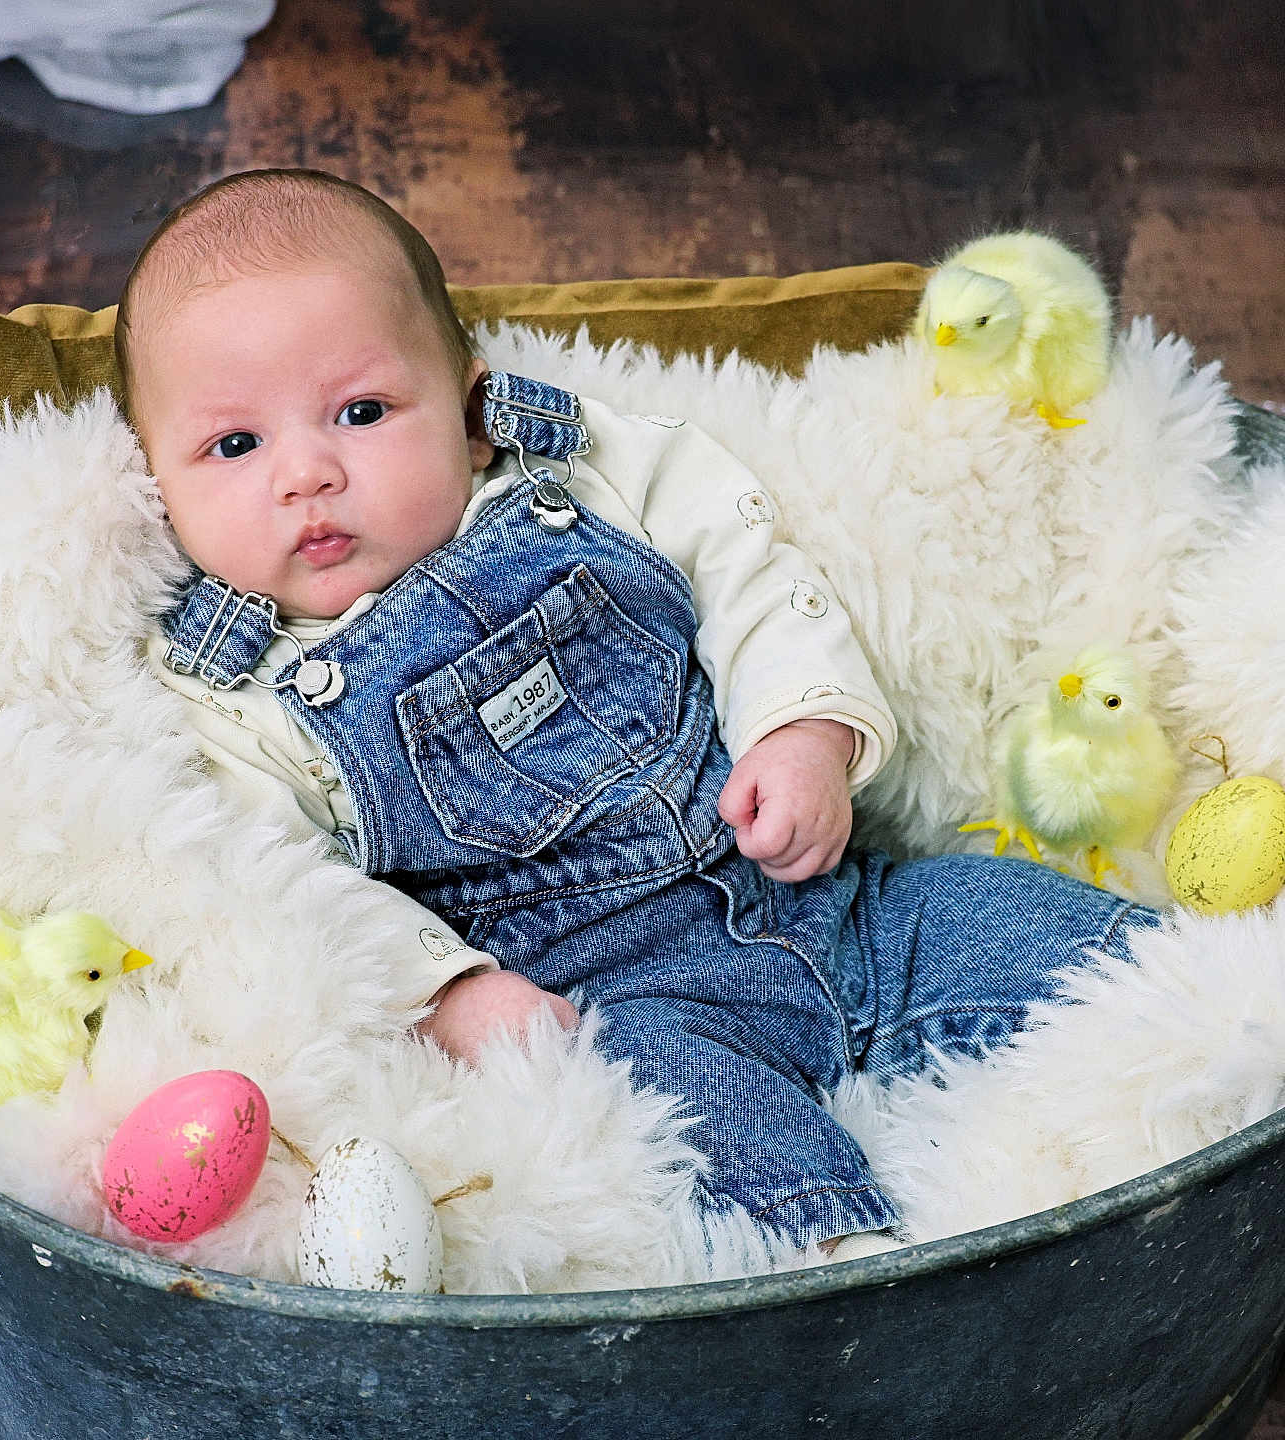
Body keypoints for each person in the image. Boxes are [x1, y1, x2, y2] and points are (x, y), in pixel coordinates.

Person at [119, 168, 1156, 1266]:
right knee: (704, 1133)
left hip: (839, 905)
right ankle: (846, 1273)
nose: (307, 475)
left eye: (363, 412)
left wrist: (804, 730)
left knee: (1051, 939)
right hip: (624, 1009)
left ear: (471, 414)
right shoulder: (237, 700)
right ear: (157, 485)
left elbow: (748, 570)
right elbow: (287, 890)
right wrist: (450, 990)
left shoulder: (586, 478)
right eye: (235, 446)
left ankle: (1214, 1040)